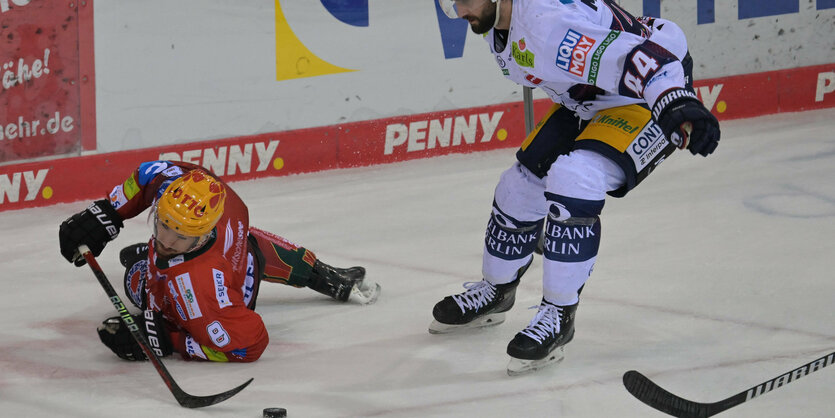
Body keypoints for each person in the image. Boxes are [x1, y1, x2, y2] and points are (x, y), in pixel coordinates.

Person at [431, 0, 720, 375]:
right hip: (590, 100)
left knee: (574, 177)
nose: (459, 9)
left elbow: (639, 59)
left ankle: (558, 314)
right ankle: (497, 290)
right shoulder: (502, 20)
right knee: (517, 189)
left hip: (644, 96)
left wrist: (673, 101)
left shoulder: (547, 24)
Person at [59, 160, 380, 363]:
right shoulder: (204, 199)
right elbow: (149, 173)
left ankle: (144, 272)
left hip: (218, 293)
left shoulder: (201, 295)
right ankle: (319, 273)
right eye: (163, 224)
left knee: (136, 282)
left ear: (201, 236)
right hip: (243, 250)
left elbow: (250, 345)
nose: (166, 241)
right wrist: (107, 212)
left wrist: (167, 340)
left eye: (180, 235)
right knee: (253, 246)